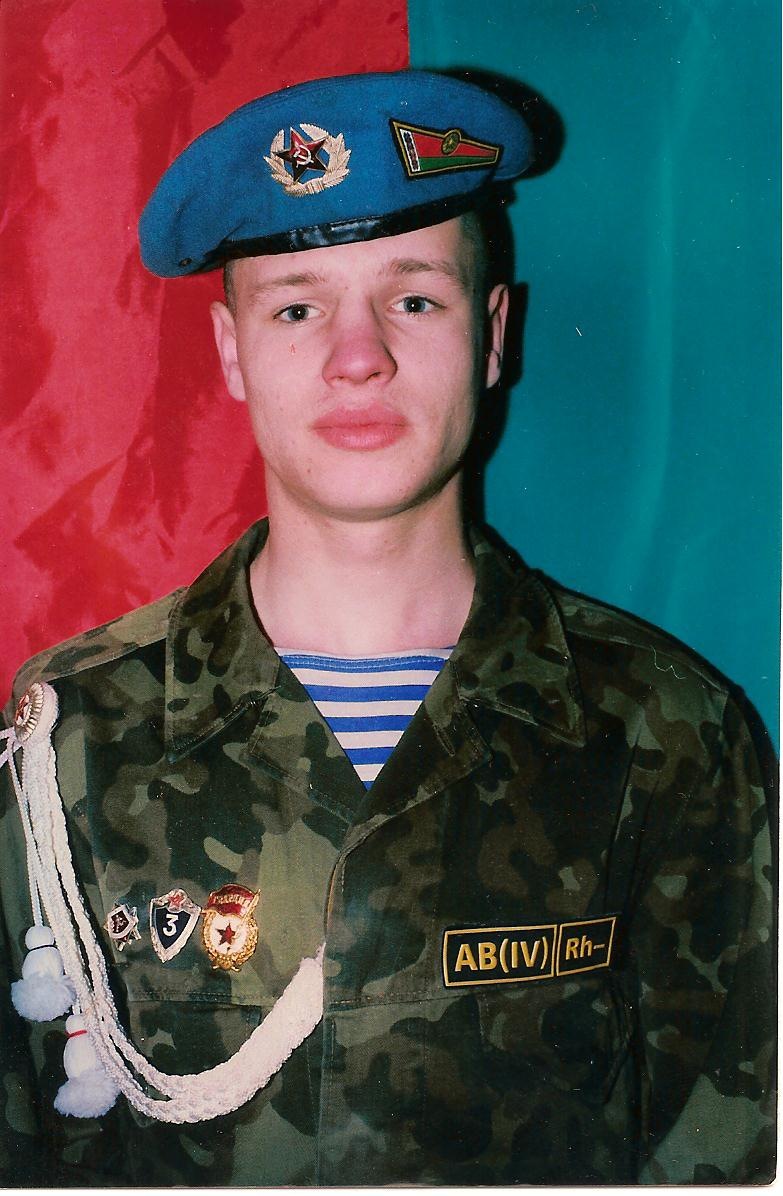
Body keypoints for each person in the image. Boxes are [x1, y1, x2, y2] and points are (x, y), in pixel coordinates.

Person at [0, 69, 775, 1186]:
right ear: (231, 353)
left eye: (414, 299)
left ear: (492, 333)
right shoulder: (73, 737)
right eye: (297, 307)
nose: (357, 355)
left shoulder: (668, 734)